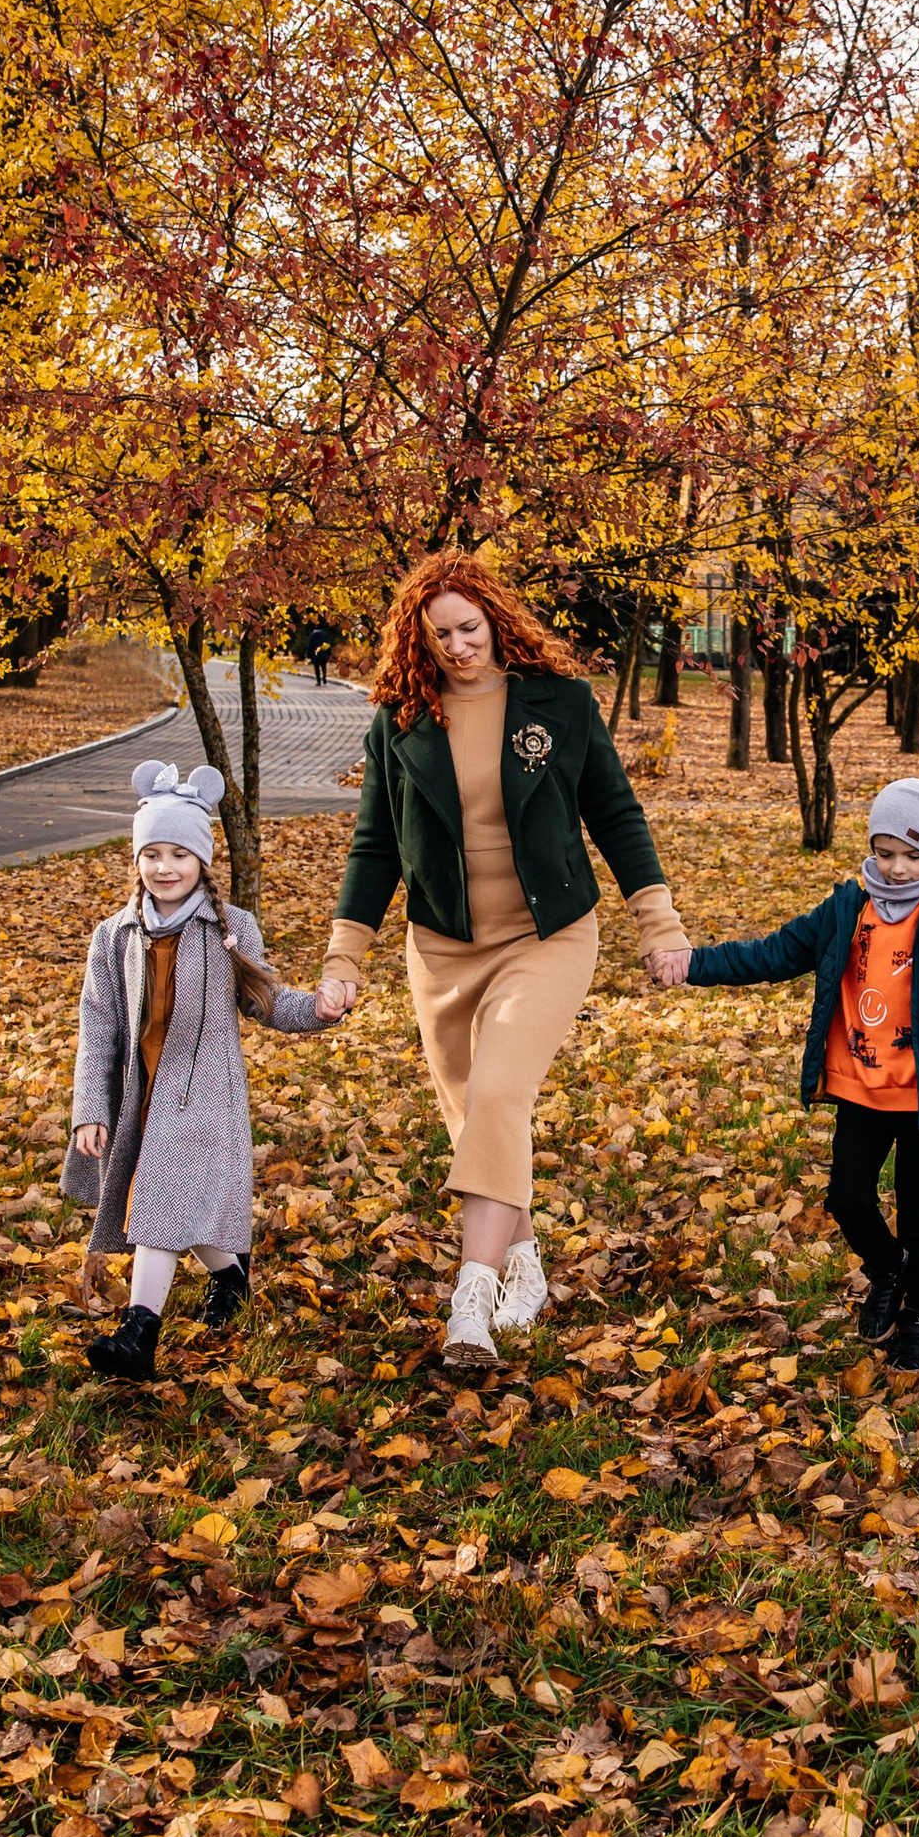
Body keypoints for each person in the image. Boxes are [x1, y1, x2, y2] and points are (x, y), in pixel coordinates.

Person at [315, 552, 686, 1372]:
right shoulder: (402, 720)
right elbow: (374, 847)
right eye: (439, 633)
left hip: (546, 936)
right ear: (418, 638)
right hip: (442, 946)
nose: (457, 646)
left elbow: (616, 815)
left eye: (469, 628)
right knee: (480, 1121)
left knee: (498, 1092)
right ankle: (525, 1264)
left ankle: (470, 1301)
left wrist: (658, 925)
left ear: (496, 619)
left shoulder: (560, 703)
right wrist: (347, 958)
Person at [653, 777, 919, 1373]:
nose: (898, 868)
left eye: (912, 855)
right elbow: (772, 953)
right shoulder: (848, 905)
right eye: (885, 853)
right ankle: (889, 1270)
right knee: (847, 1198)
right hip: (861, 1085)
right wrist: (692, 962)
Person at [65, 763, 329, 1383]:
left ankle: (138, 1335)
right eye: (151, 854)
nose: (164, 868)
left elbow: (265, 1001)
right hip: (143, 1094)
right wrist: (91, 1109)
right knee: (173, 1210)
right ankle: (231, 1276)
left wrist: (317, 1009)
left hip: (205, 1092)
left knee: (157, 1205)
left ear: (202, 860)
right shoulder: (115, 937)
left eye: (179, 853)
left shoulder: (230, 929)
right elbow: (98, 1025)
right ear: (136, 859)